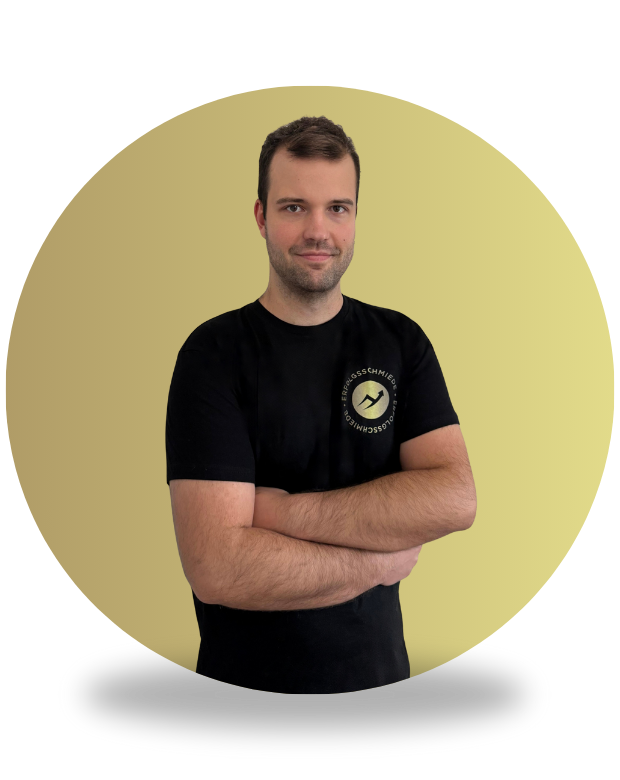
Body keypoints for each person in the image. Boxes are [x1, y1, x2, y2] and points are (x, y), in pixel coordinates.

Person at [166, 116, 477, 694]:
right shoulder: (212, 355)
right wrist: (378, 564)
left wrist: (280, 514)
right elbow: (217, 567)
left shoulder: (400, 342)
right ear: (261, 217)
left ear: (355, 217)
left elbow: (455, 498)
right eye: (294, 207)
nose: (318, 230)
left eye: (338, 208)